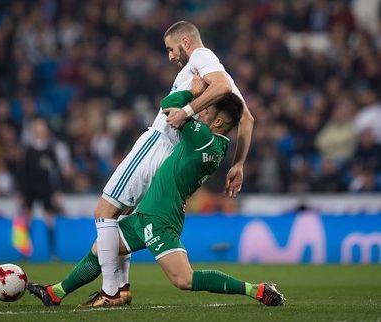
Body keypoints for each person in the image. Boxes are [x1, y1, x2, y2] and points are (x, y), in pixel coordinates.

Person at [27, 90, 283, 307]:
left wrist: (194, 92)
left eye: (206, 110)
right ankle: (55, 293)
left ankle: (257, 290)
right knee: (102, 249)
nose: (200, 112)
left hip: (159, 218)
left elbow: (168, 106)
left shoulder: (204, 139)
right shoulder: (220, 145)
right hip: (150, 213)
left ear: (217, 123)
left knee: (184, 280)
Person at [93, 20, 255, 303]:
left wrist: (188, 108)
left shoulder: (201, 57)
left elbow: (220, 85)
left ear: (186, 42)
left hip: (159, 142)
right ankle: (113, 289)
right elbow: (248, 119)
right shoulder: (217, 72)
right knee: (121, 217)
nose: (170, 56)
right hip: (173, 153)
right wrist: (238, 164)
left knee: (104, 211)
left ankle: (111, 291)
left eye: (170, 48)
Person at [16, 118, 64, 259]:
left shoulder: (50, 149)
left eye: (42, 127)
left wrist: (57, 190)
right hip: (30, 188)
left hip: (46, 188)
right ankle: (25, 253)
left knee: (49, 219)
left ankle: (53, 253)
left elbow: (56, 171)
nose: (40, 130)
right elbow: (22, 171)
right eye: (37, 127)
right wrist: (21, 192)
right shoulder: (28, 149)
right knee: (26, 218)